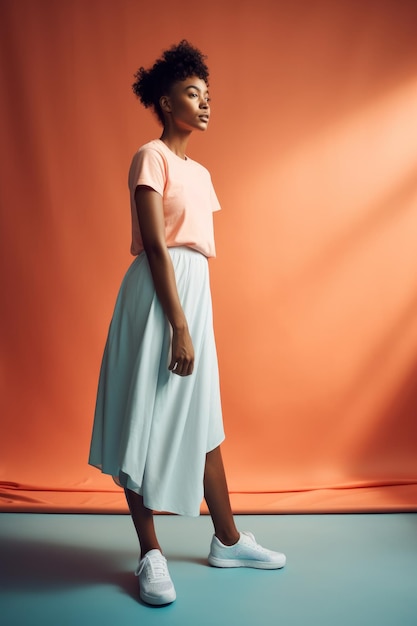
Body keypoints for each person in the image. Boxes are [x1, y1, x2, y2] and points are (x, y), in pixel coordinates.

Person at [89, 40, 286, 607]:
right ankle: (149, 553)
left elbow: (194, 252)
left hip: (192, 293)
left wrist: (193, 316)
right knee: (142, 417)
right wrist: (178, 323)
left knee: (205, 417)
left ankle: (226, 539)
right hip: (158, 298)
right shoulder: (151, 157)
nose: (204, 104)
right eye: (192, 93)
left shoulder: (200, 171)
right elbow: (156, 245)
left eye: (207, 95)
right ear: (165, 99)